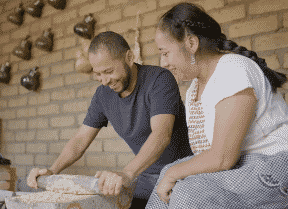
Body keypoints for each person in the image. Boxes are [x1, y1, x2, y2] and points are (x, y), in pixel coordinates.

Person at [27, 31, 193, 208]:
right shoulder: (102, 95)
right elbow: (80, 139)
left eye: (108, 71)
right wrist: (52, 170)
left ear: (129, 57)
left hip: (183, 173)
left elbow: (161, 134)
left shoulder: (159, 79)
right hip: (144, 175)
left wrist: (127, 173)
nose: (104, 81)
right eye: (98, 74)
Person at [146, 2, 288, 209]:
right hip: (242, 165)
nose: (163, 63)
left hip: (273, 164)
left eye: (165, 53)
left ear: (191, 44)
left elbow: (222, 158)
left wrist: (174, 174)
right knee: (169, 171)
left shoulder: (233, 70)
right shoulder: (195, 86)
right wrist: (172, 173)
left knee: (187, 190)